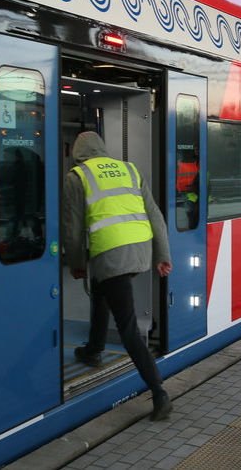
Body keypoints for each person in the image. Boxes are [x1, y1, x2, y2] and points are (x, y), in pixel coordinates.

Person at [62, 131, 174, 421]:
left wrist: (76, 263)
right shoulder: (129, 169)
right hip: (140, 249)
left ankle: (159, 392)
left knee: (127, 328)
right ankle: (94, 349)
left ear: (77, 152)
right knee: (101, 292)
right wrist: (162, 255)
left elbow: (72, 228)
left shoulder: (77, 176)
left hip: (111, 253)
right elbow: (155, 215)